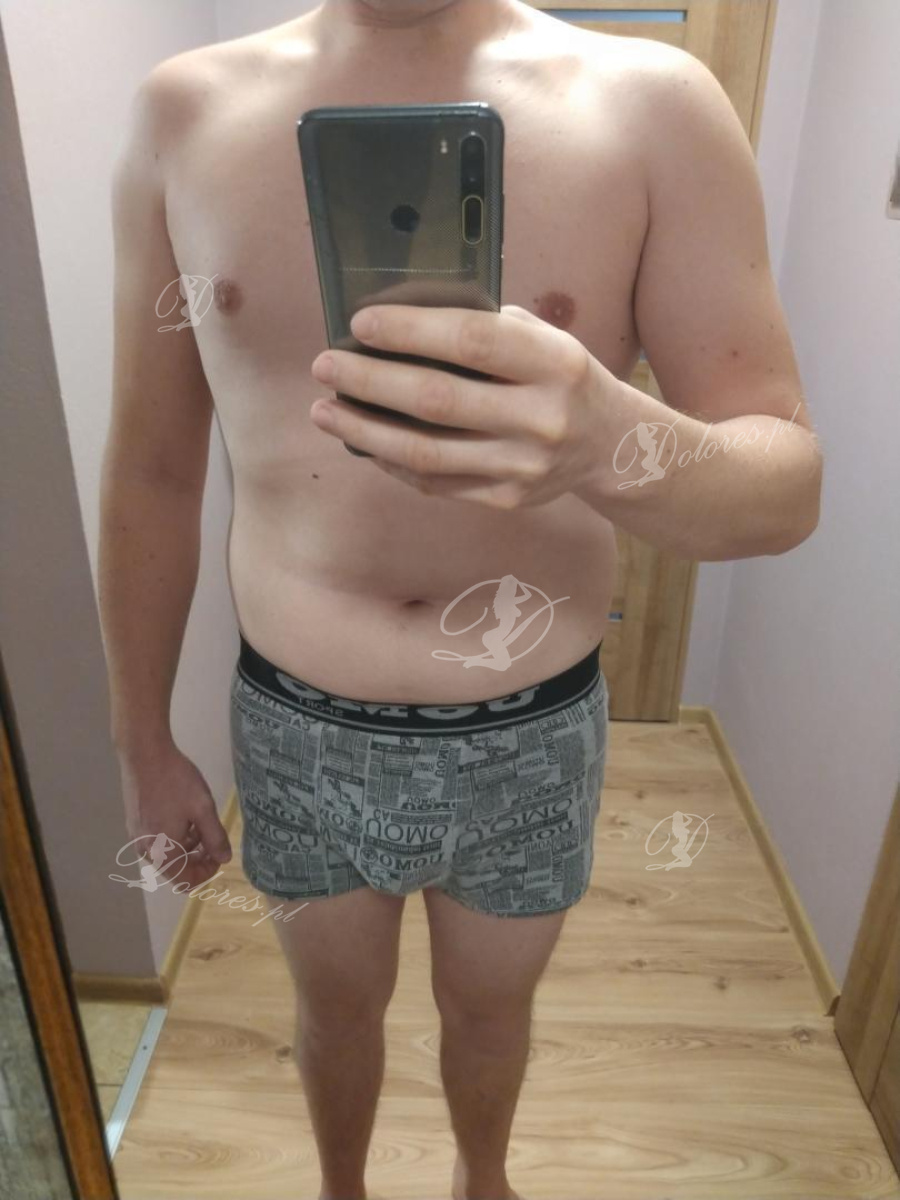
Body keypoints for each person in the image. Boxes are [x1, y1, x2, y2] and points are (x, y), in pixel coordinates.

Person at [98, 1, 823, 1197]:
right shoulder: (185, 112)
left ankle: (484, 1181)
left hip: (529, 731)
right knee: (334, 1013)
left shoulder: (652, 106)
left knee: (491, 1016)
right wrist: (141, 744)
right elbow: (151, 473)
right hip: (297, 724)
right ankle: (342, 1187)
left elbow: (784, 488)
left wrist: (608, 440)